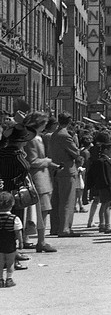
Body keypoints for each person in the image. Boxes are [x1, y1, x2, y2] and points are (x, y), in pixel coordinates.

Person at [22, 111, 57, 253]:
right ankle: (41, 241)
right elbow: (33, 161)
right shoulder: (33, 139)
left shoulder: (36, 137)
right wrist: (47, 161)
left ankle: (27, 239)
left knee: (39, 210)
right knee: (42, 210)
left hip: (41, 177)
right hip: (38, 178)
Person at [0, 123, 31, 271]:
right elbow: (26, 167)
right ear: (20, 141)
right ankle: (12, 258)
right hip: (14, 192)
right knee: (14, 225)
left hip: (2, 190)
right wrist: (19, 179)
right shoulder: (17, 154)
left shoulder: (2, 152)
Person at [48, 112, 81, 237]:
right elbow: (76, 152)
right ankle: (65, 228)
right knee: (67, 200)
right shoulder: (65, 135)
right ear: (70, 121)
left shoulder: (54, 134)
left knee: (56, 201)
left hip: (56, 170)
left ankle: (55, 227)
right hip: (67, 170)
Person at [85, 136, 111, 234]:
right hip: (106, 186)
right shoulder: (104, 161)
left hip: (101, 186)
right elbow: (107, 176)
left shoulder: (99, 160)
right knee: (106, 205)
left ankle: (102, 224)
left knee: (104, 205)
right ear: (106, 150)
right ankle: (107, 225)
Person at [0, 191, 22, 288]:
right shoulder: (14, 218)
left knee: (0, 263)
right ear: (12, 204)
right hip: (10, 244)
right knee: (10, 262)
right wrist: (21, 242)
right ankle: (9, 279)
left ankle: (0, 279)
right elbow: (18, 232)